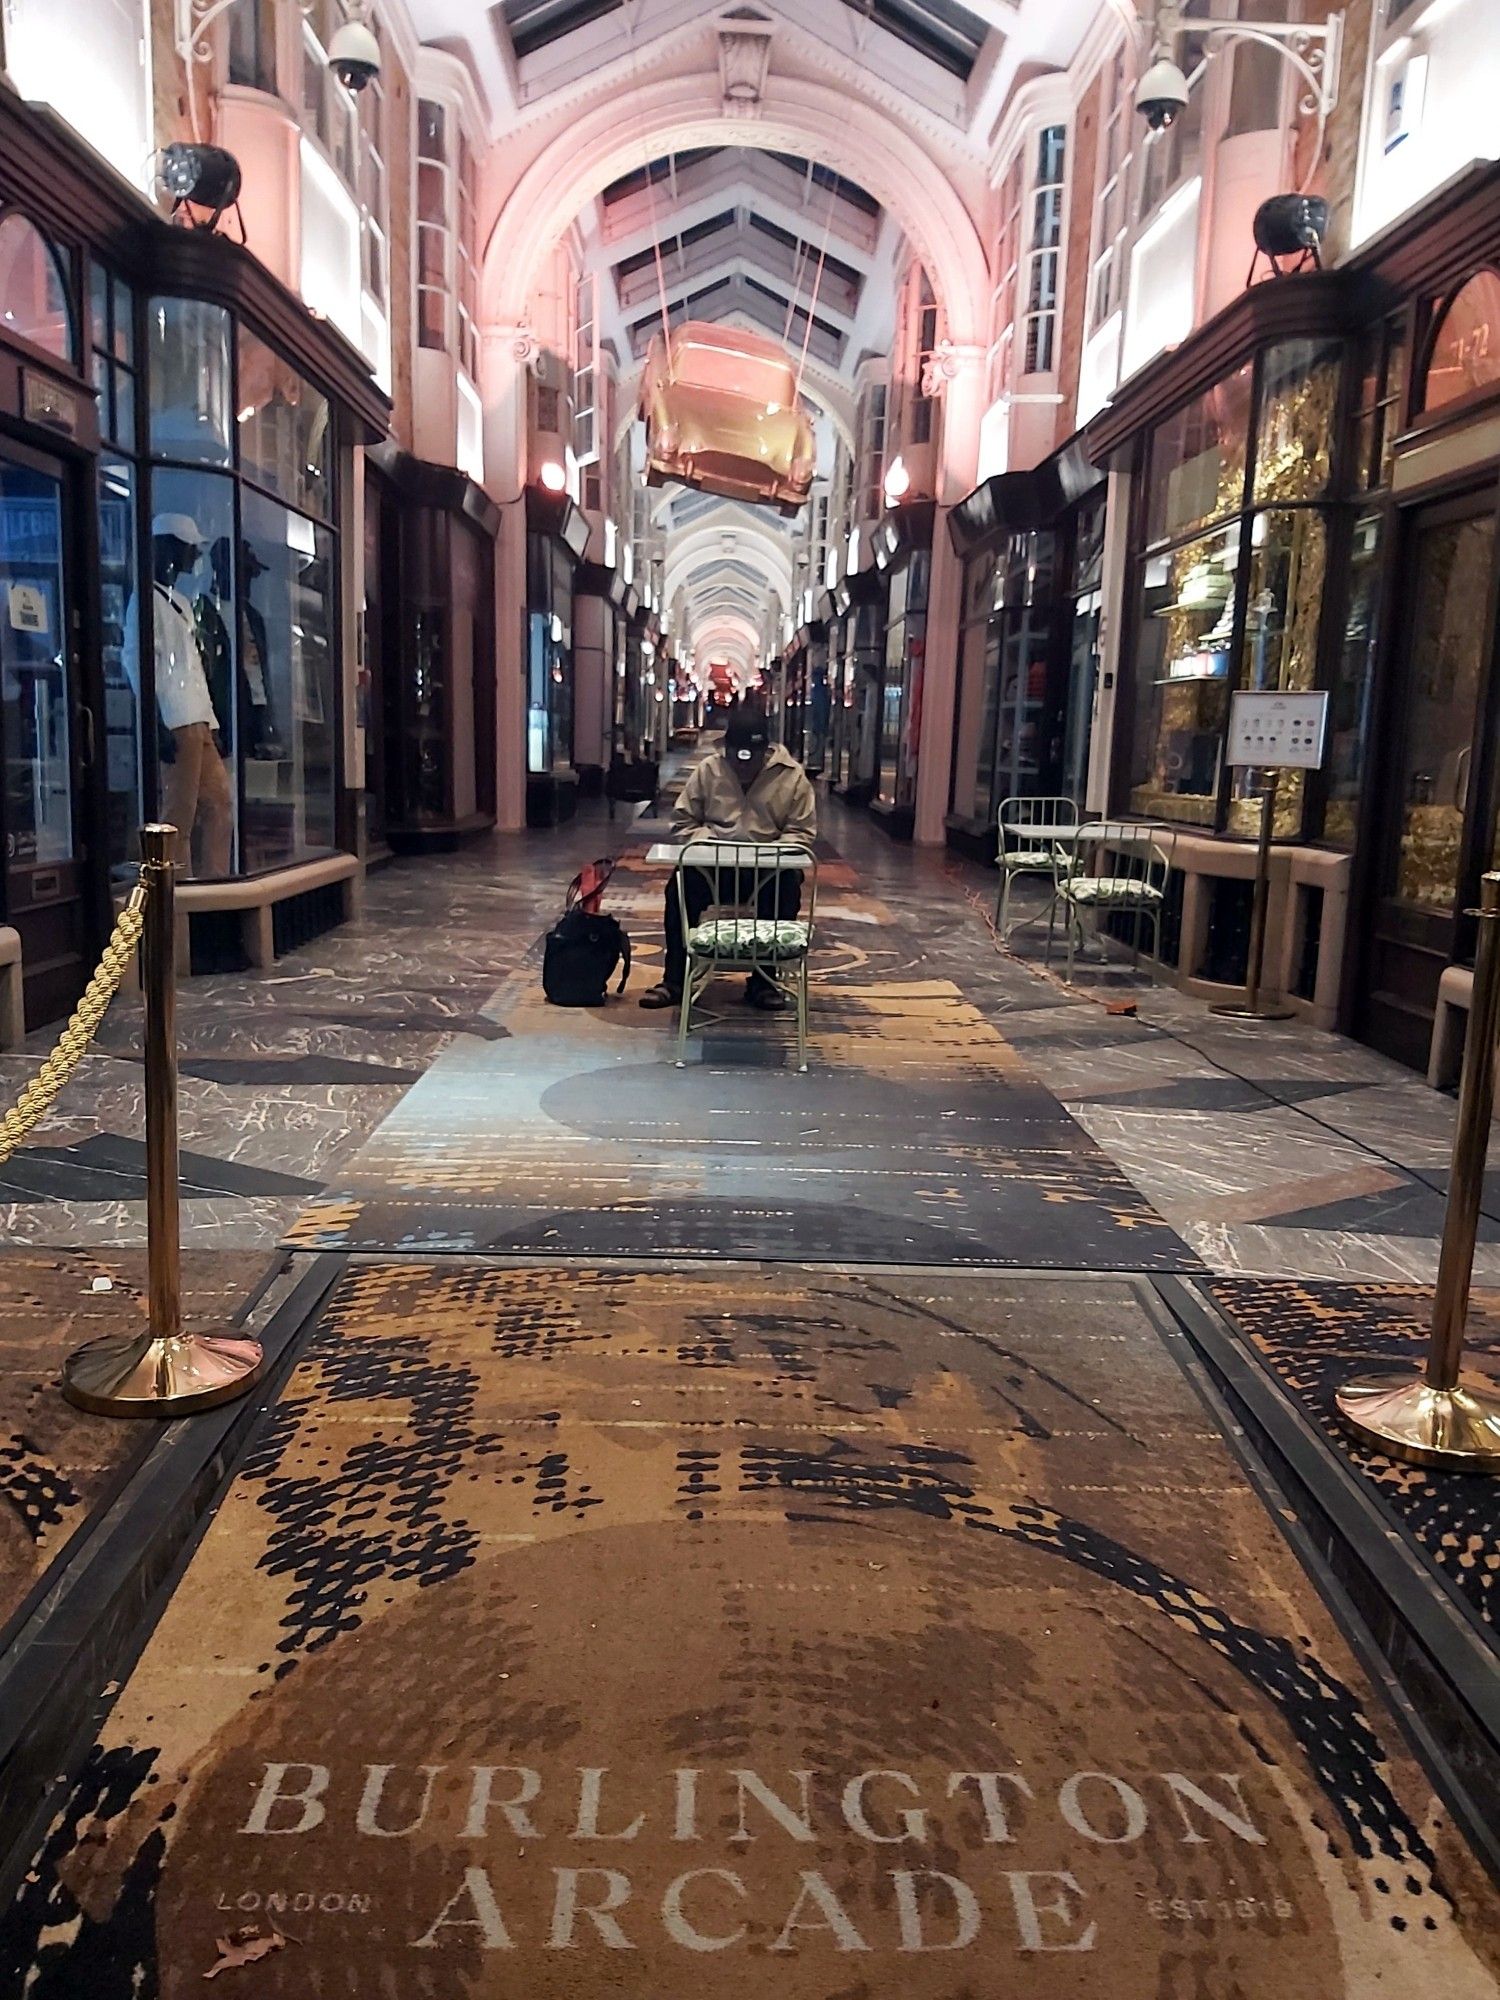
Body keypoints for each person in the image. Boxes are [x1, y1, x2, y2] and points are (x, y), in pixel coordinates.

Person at [638, 699, 817, 1013]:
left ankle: (765, 981)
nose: (743, 765)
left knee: (786, 888)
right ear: (726, 749)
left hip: (767, 870)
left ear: (766, 752)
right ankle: (676, 979)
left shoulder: (792, 778)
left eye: (751, 758)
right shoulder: (709, 771)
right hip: (714, 867)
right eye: (736, 757)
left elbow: (802, 830)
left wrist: (773, 852)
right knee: (680, 888)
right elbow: (683, 820)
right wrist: (707, 843)